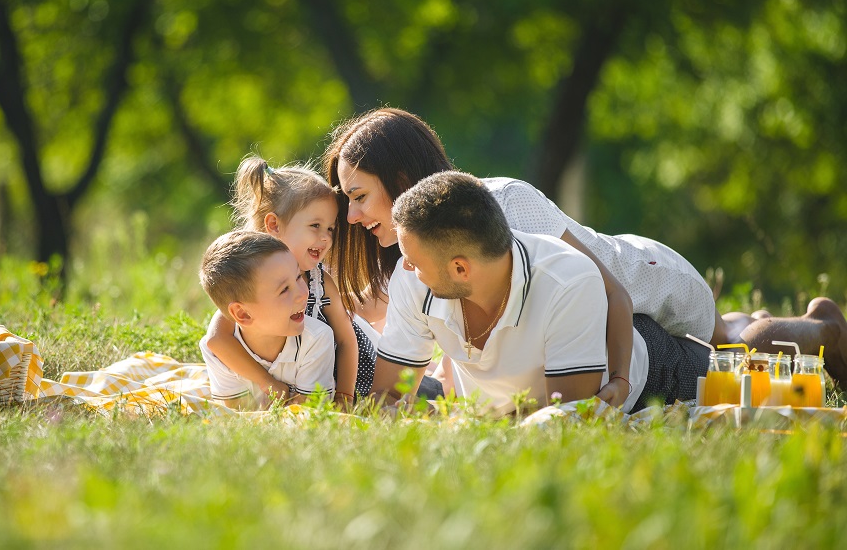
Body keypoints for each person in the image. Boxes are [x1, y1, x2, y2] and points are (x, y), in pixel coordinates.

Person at [325, 107, 847, 392]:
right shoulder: (423, 244)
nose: (351, 216)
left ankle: (824, 331)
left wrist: (617, 382)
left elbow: (611, 293)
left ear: (399, 178)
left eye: (359, 196)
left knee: (732, 342)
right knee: (718, 343)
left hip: (645, 279)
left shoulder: (503, 205)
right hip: (615, 307)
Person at [371, 171, 710, 414]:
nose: (405, 268)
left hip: (652, 373)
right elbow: (386, 397)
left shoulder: (567, 281)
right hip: (506, 403)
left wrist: (473, 422)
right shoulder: (413, 280)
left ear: (461, 269)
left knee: (739, 368)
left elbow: (565, 418)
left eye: (413, 260)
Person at [204, 156, 374, 406]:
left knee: (424, 391)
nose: (325, 237)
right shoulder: (250, 277)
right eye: (315, 225)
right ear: (274, 224)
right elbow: (217, 339)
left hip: (350, 373)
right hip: (292, 378)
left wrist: (345, 396)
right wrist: (266, 382)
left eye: (330, 228)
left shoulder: (320, 282)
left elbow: (346, 341)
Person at [198, 230, 336, 409]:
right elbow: (237, 416)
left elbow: (309, 413)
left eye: (298, 277)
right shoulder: (218, 354)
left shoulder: (316, 338)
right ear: (243, 314)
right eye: (284, 289)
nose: (303, 294)